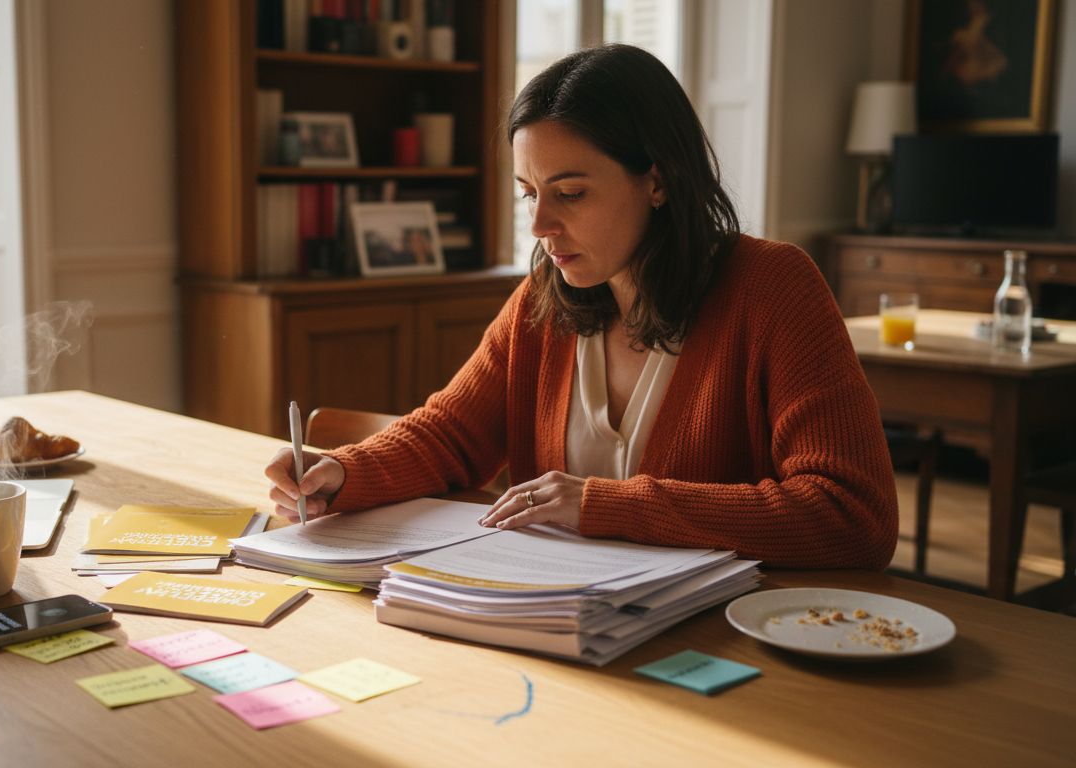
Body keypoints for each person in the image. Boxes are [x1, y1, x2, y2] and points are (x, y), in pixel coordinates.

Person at [264, 44, 898, 569]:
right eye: (528, 194)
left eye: (569, 193)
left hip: (727, 650)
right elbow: (451, 436)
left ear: (658, 179)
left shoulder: (773, 287)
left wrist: (606, 504)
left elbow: (852, 515)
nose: (540, 224)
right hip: (565, 629)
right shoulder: (545, 298)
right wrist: (342, 474)